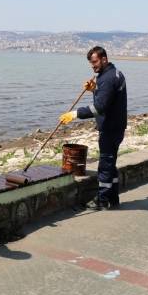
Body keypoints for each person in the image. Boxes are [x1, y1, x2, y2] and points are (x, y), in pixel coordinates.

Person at [59, 46, 127, 210]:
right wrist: (95, 89)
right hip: (116, 126)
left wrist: (75, 114)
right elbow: (107, 99)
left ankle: (101, 200)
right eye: (91, 62)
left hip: (110, 129)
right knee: (110, 164)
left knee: (105, 164)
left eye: (95, 61)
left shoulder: (108, 78)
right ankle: (114, 197)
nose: (92, 66)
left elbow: (100, 108)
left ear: (104, 59)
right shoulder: (113, 74)